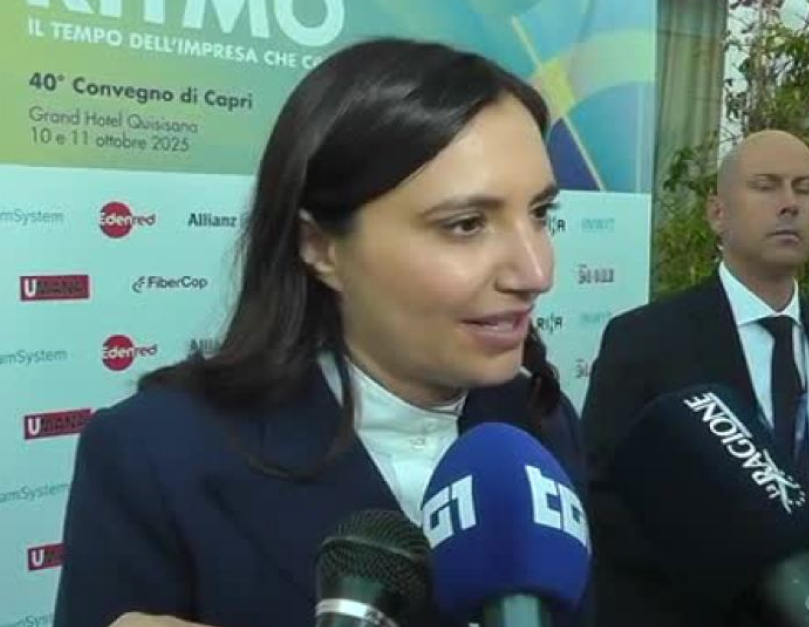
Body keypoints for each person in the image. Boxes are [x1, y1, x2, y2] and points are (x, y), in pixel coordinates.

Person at [53, 37, 590, 627]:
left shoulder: (539, 422)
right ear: (320, 247)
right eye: (465, 224)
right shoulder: (157, 455)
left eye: (541, 214)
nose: (536, 272)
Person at [581, 129, 809, 626]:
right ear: (717, 213)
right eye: (766, 185)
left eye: (805, 188)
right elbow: (602, 493)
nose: (790, 203)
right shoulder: (645, 340)